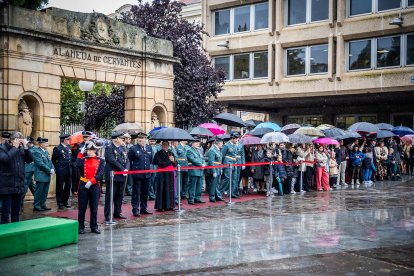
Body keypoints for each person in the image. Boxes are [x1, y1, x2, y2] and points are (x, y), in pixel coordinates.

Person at [0, 132, 33, 223]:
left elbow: (30, 160)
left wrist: (26, 147)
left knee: (16, 213)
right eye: (18, 141)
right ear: (11, 140)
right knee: (5, 213)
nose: (19, 144)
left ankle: (16, 232)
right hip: (7, 185)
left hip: (19, 184)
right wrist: (14, 147)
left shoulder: (21, 149)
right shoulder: (2, 148)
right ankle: (5, 233)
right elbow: (5, 159)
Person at [76, 142, 105, 234]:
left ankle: (94, 226)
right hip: (83, 184)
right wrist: (80, 153)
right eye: (87, 150)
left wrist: (92, 181)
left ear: (95, 151)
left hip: (94, 185)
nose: (88, 152)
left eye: (90, 150)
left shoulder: (101, 161)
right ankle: (81, 227)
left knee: (94, 207)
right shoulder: (83, 159)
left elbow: (100, 174)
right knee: (82, 207)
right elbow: (76, 165)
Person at [104, 131, 129, 222]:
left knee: (119, 195)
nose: (122, 139)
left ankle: (117, 212)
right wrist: (123, 169)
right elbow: (112, 160)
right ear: (116, 139)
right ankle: (108, 215)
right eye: (121, 138)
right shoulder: (109, 148)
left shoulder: (122, 149)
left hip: (121, 176)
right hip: (113, 176)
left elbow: (127, 160)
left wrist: (126, 169)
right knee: (110, 196)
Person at [128, 132, 153, 217]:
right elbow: (129, 160)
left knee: (145, 192)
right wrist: (133, 170)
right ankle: (135, 209)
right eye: (140, 138)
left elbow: (151, 160)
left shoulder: (149, 148)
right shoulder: (133, 148)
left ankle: (143, 208)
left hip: (147, 174)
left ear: (146, 139)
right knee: (136, 192)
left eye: (143, 138)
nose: (141, 139)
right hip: (137, 175)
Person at [32, 137, 55, 211]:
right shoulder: (37, 152)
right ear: (41, 144)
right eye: (46, 143)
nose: (47, 144)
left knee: (45, 191)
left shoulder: (46, 152)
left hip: (47, 174)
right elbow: (40, 164)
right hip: (41, 174)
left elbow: (50, 162)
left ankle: (43, 204)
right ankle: (37, 205)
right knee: (39, 191)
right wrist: (49, 170)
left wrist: (52, 169)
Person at [153, 141, 176, 211]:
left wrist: (174, 160)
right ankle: (160, 206)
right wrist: (170, 160)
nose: (165, 147)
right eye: (164, 145)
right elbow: (161, 163)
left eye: (167, 145)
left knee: (169, 190)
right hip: (162, 174)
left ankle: (170, 205)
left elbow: (175, 164)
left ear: (168, 146)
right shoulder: (158, 153)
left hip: (170, 175)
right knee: (162, 189)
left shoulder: (171, 153)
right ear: (162, 146)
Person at [52, 134, 72, 209]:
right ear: (63, 140)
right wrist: (57, 168)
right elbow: (54, 160)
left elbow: (70, 158)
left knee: (68, 186)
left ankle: (65, 201)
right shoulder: (57, 148)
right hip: (61, 170)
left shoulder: (69, 147)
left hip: (68, 170)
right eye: (68, 139)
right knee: (60, 186)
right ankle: (60, 202)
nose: (69, 141)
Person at [72, 131, 93, 195]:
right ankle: (77, 189)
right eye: (84, 137)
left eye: (86, 137)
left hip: (90, 163)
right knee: (79, 177)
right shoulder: (80, 145)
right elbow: (77, 154)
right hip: (82, 163)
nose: (85, 138)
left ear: (90, 137)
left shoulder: (92, 144)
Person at [187, 137, 206, 204]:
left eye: (198, 142)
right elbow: (193, 160)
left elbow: (202, 158)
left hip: (200, 170)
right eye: (196, 142)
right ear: (192, 143)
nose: (198, 144)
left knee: (199, 185)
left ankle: (197, 198)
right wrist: (201, 164)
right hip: (194, 170)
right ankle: (191, 199)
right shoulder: (189, 150)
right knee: (192, 185)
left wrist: (204, 163)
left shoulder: (199, 150)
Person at [220, 132, 240, 197]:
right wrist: (221, 166)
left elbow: (235, 154)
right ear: (232, 138)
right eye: (236, 139)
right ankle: (220, 193)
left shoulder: (235, 145)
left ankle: (231, 193)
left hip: (234, 164)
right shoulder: (226, 145)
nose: (237, 140)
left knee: (234, 179)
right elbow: (222, 155)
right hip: (228, 163)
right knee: (227, 179)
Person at [206, 137, 224, 202]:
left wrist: (221, 169)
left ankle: (217, 196)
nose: (222, 144)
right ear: (218, 143)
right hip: (214, 169)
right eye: (221, 143)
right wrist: (213, 171)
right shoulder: (212, 150)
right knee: (213, 184)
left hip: (218, 168)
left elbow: (220, 160)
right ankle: (212, 197)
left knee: (217, 184)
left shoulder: (218, 149)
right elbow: (211, 162)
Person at [21, 136, 35, 210]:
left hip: (29, 170)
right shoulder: (24, 148)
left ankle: (20, 204)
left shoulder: (34, 149)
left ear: (30, 143)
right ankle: (37, 199)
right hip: (25, 170)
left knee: (25, 187)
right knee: (31, 185)